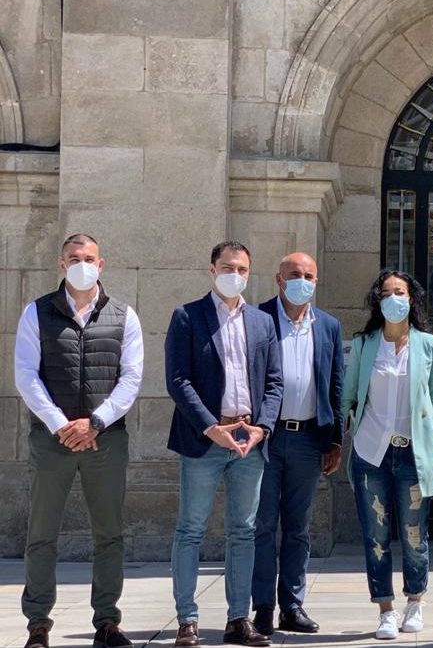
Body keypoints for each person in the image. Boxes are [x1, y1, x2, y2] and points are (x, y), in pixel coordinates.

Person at [14, 233, 144, 648]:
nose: (81, 265)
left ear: (101, 264)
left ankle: (107, 622)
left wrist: (95, 423)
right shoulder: (37, 312)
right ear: (61, 264)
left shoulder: (124, 315)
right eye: (73, 258)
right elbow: (25, 375)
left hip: (106, 441)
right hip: (51, 441)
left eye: (88, 258)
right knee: (41, 534)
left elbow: (131, 378)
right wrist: (61, 425)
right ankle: (38, 624)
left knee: (109, 534)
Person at [165, 241, 283, 648]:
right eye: (228, 268)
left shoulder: (263, 322)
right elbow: (178, 380)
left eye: (242, 269)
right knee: (190, 529)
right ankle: (187, 620)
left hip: (248, 440)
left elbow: (274, 383)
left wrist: (262, 428)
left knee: (244, 531)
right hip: (205, 441)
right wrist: (210, 427)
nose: (236, 275)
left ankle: (238, 618)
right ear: (212, 270)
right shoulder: (187, 316)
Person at [342, 269, 433, 639]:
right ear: (378, 300)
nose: (393, 299)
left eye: (400, 292)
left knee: (414, 535)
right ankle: (385, 609)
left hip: (413, 455)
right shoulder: (364, 344)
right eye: (386, 292)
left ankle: (415, 601)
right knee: (376, 536)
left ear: (411, 298)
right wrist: (340, 436)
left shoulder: (429, 345)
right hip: (371, 452)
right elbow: (349, 396)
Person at [251, 252, 345, 637]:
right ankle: (262, 607)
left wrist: (335, 440)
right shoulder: (258, 318)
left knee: (298, 527)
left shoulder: (328, 326)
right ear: (278, 279)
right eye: (294, 274)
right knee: (261, 525)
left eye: (308, 275)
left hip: (308, 438)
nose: (301, 281)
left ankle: (291, 605)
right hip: (266, 438)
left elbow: (336, 385)